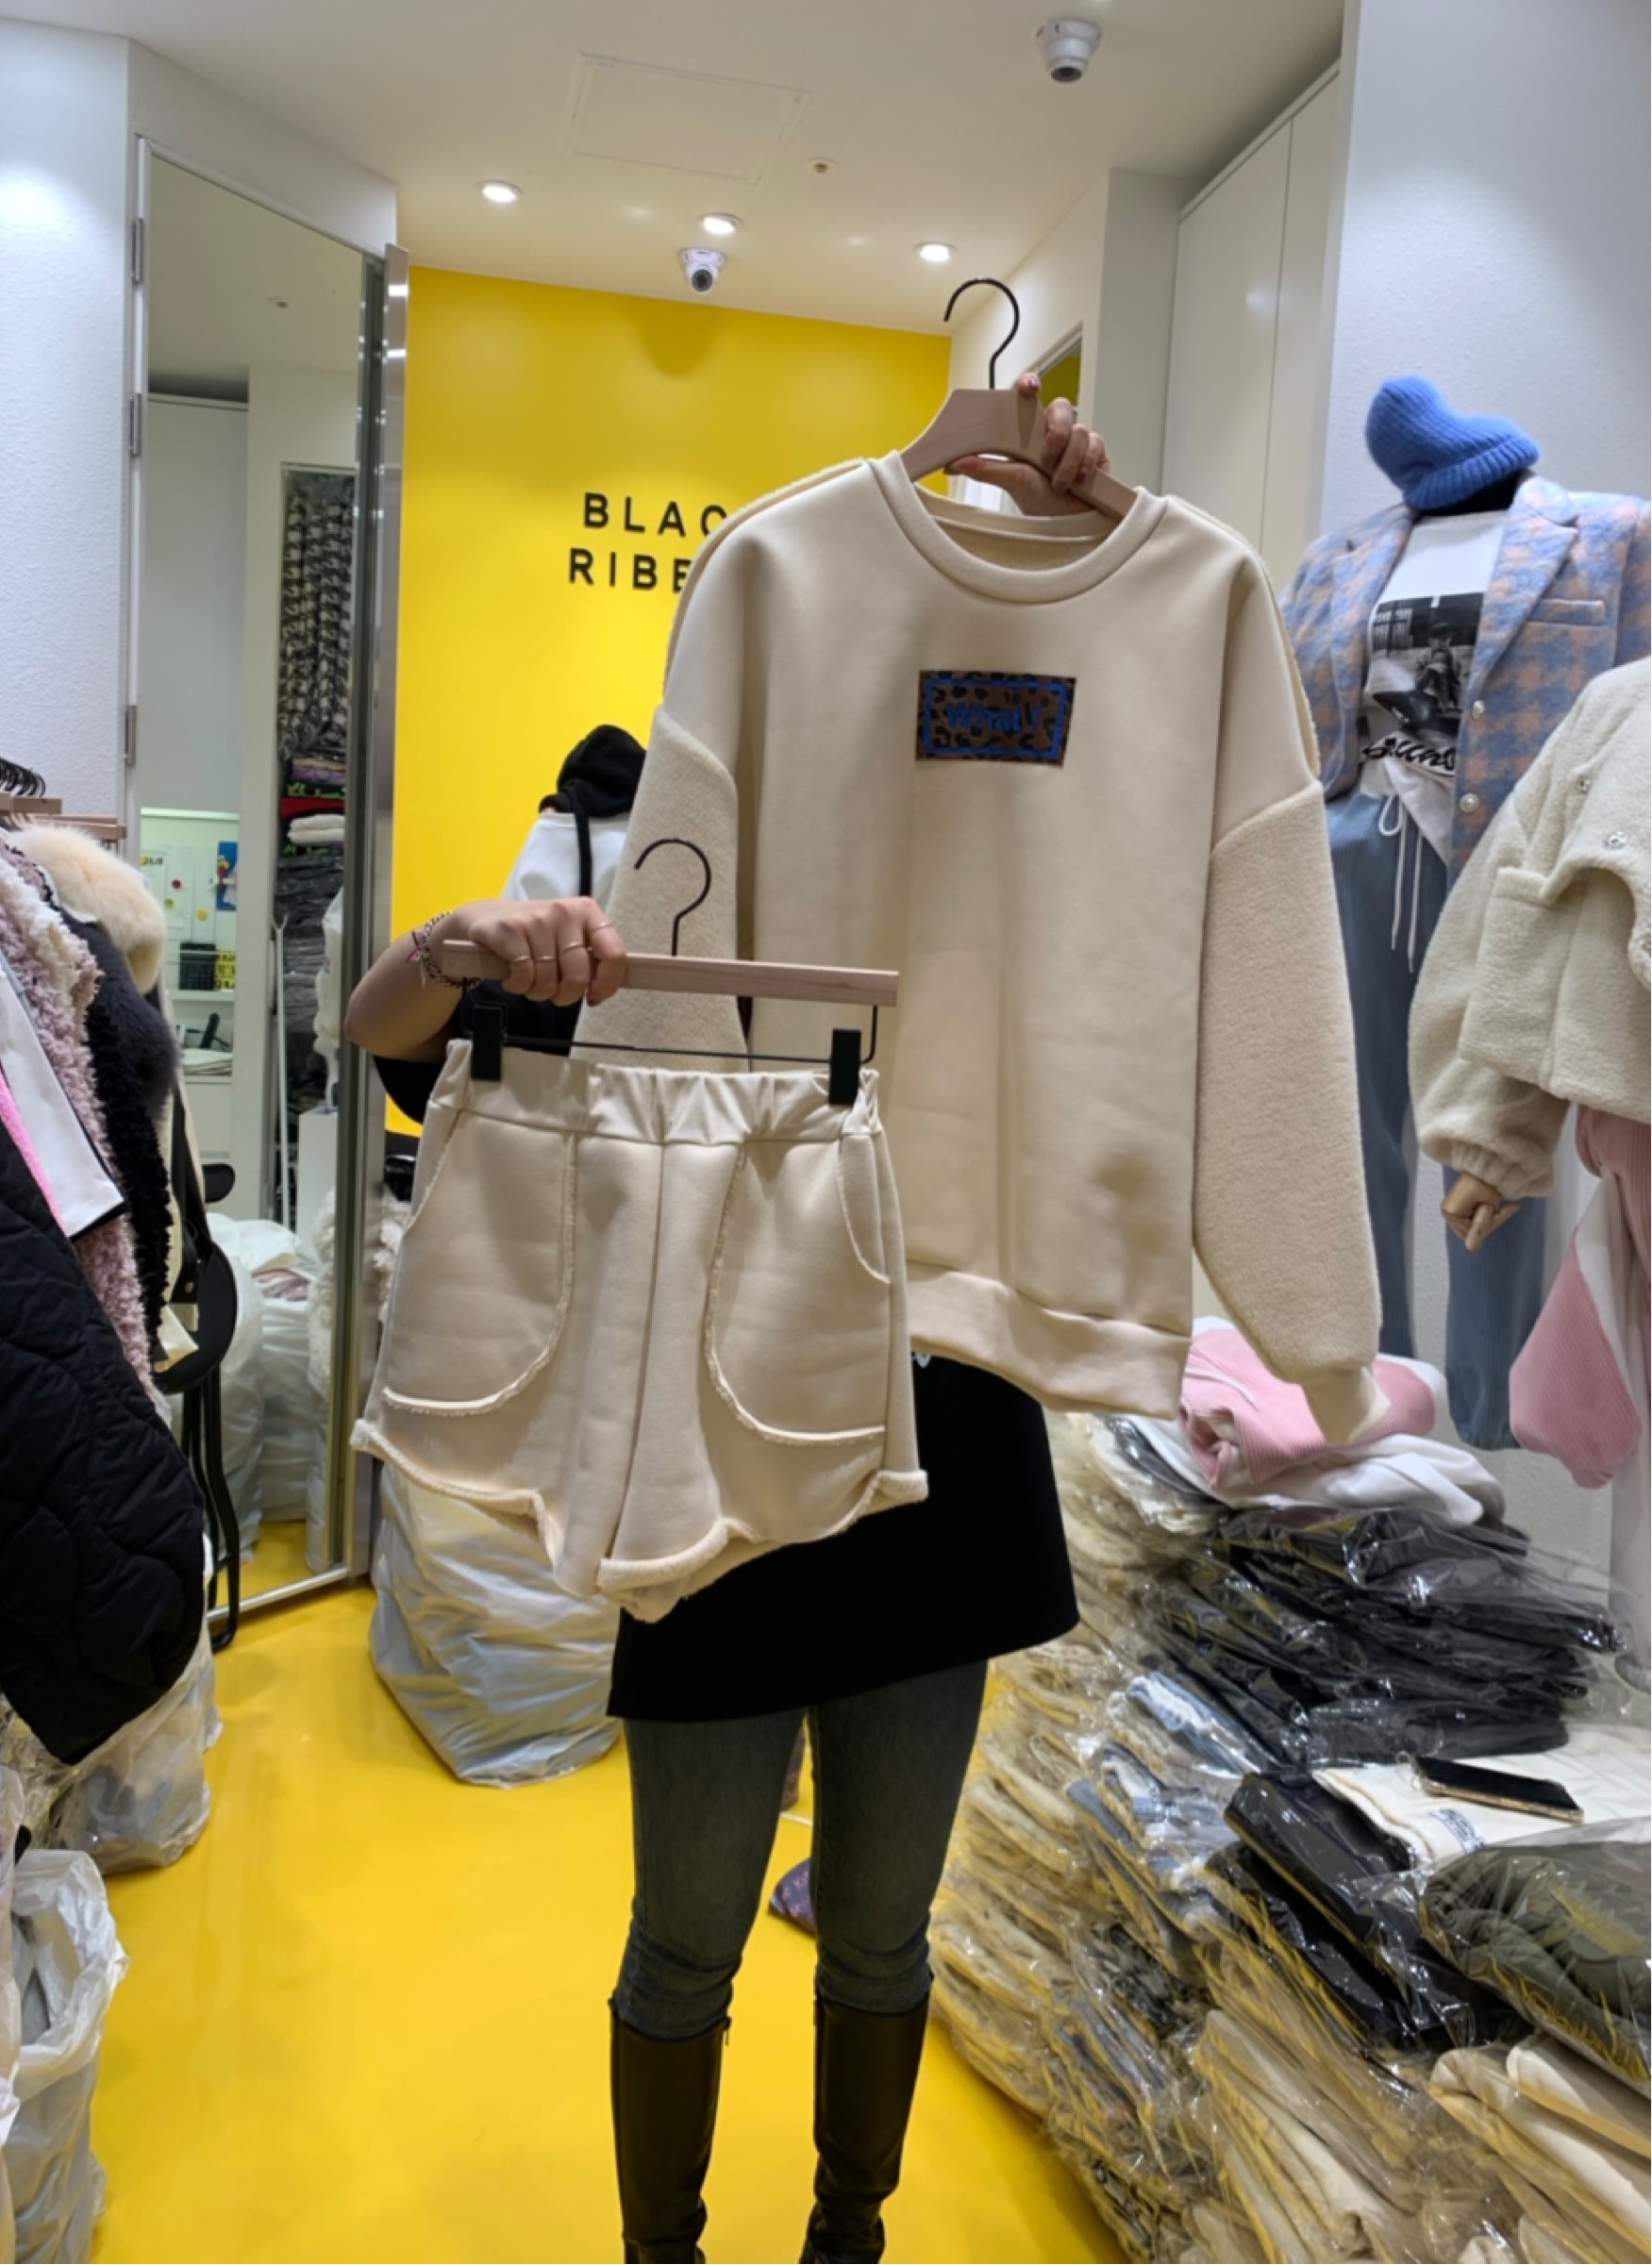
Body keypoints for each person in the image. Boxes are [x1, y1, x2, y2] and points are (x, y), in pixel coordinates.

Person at [344, 382, 1112, 2265]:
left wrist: (1090, 548)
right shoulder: (650, 905)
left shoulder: (1012, 863)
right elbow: (391, 1042)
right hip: (712, 1485)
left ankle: (849, 2236)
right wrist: (462, 943)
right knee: (688, 1932)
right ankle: (664, 2252)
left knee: (882, 1928)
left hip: (947, 1448)